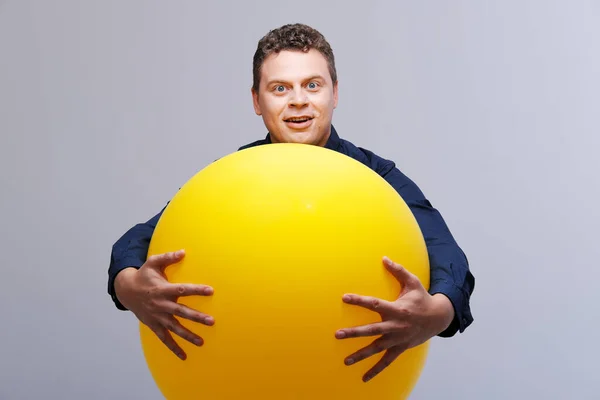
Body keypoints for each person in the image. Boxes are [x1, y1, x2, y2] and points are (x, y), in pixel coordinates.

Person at [108, 23, 475, 383]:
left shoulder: (377, 178)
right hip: (238, 377)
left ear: (335, 93)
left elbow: (446, 254)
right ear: (256, 100)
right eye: (280, 88)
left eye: (312, 85)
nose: (298, 100)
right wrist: (128, 286)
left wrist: (438, 312)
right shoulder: (228, 180)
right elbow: (139, 239)